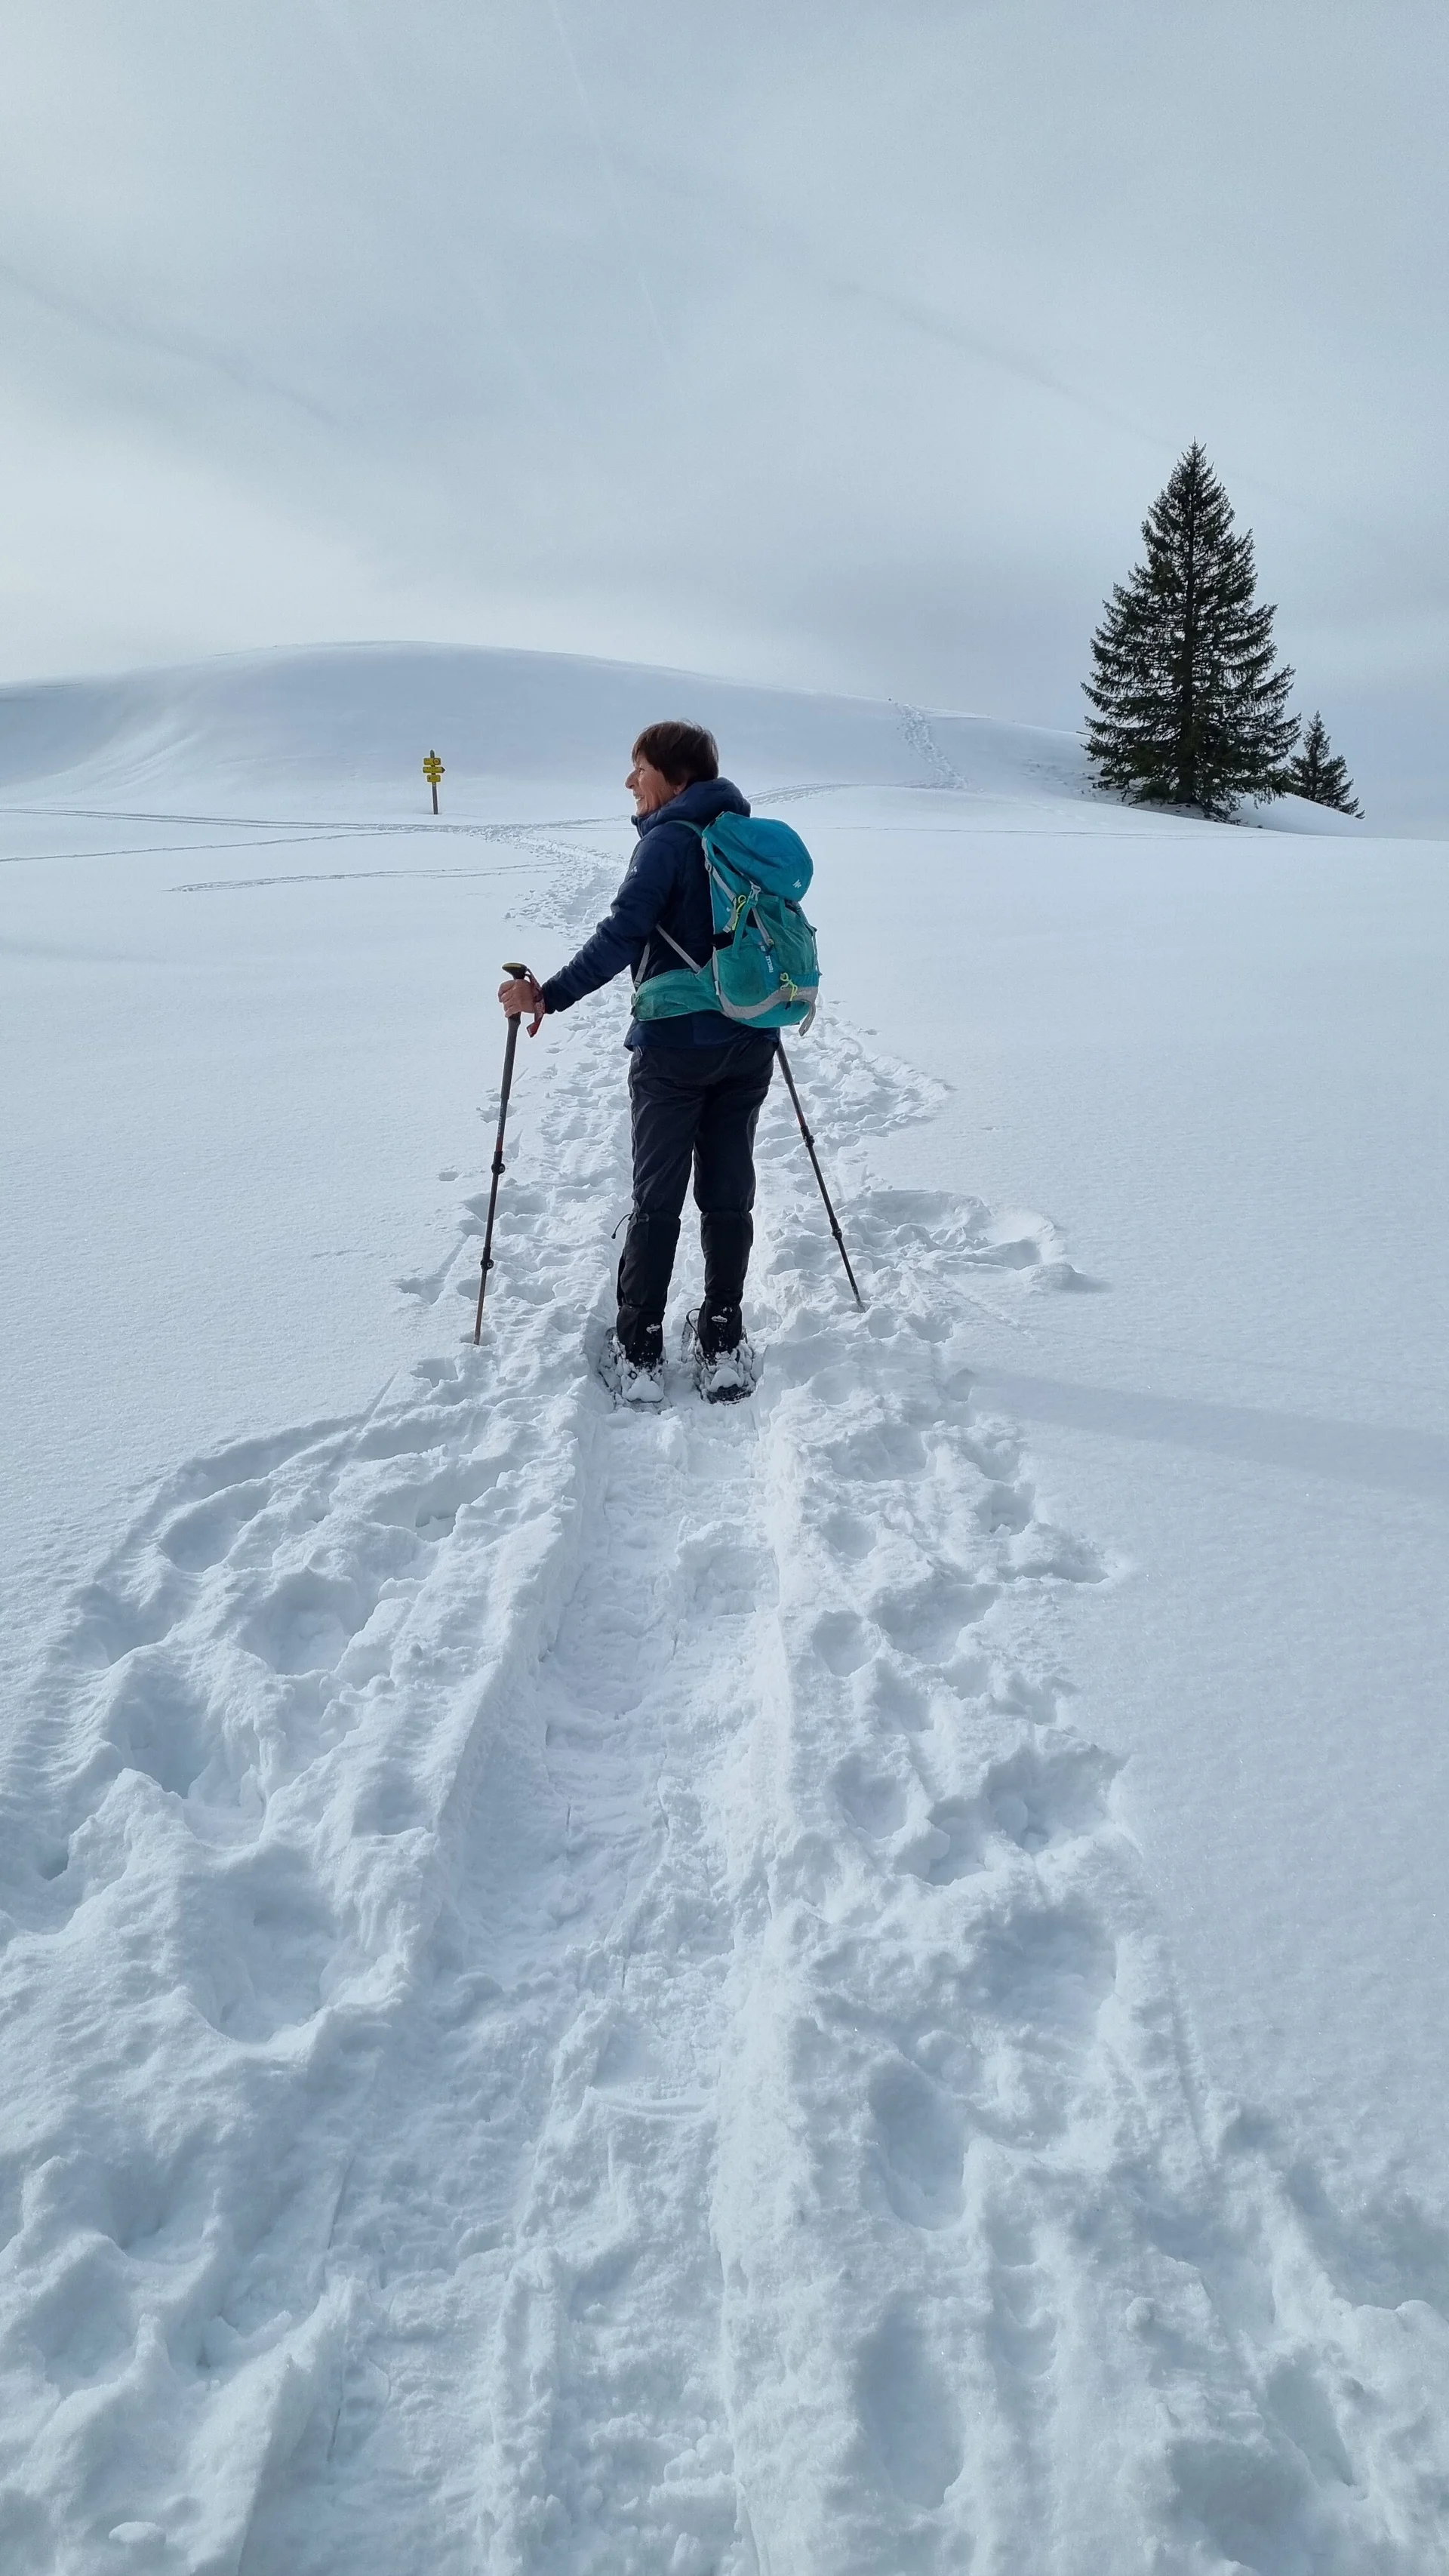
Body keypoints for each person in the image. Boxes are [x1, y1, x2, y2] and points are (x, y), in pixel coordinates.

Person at [497, 720, 775, 1405]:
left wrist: (548, 995)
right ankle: (720, 1339)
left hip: (675, 1050)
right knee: (728, 1188)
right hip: (750, 1038)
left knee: (657, 1195)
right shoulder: (746, 839)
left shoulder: (668, 844)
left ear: (676, 779)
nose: (630, 782)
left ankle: (642, 1347)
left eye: (640, 768)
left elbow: (622, 934)